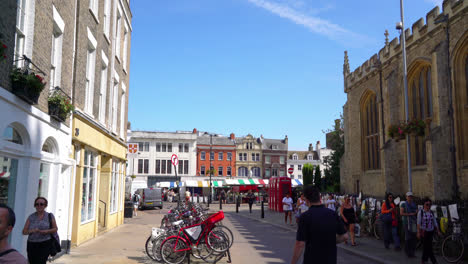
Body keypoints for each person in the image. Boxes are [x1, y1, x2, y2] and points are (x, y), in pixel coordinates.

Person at [291, 186, 348, 264]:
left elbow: (300, 244)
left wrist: (293, 262)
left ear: (307, 200)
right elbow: (345, 236)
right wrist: (330, 241)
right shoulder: (332, 214)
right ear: (319, 198)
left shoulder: (305, 217)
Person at [22, 197, 58, 264]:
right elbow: (24, 232)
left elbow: (55, 228)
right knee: (32, 262)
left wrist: (46, 231)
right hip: (32, 244)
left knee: (41, 262)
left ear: (45, 206)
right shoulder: (31, 217)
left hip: (45, 243)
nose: (39, 206)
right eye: (37, 204)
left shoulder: (49, 216)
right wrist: (32, 230)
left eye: (41, 204)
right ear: (35, 205)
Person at [417, 197, 440, 264]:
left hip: (431, 231)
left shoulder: (431, 212)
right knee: (428, 248)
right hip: (424, 232)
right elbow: (418, 223)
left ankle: (424, 260)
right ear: (424, 205)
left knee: (426, 247)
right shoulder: (420, 212)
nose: (428, 206)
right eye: (427, 204)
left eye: (430, 204)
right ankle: (434, 261)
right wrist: (418, 232)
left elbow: (435, 222)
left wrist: (438, 230)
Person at [400, 191, 417, 258]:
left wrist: (416, 212)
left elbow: (416, 211)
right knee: (408, 237)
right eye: (409, 197)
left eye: (411, 197)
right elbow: (401, 213)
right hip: (406, 222)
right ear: (406, 197)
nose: (410, 198)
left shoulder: (413, 204)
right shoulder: (403, 204)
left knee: (413, 238)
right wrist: (410, 214)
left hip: (413, 222)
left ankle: (412, 252)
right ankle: (408, 252)